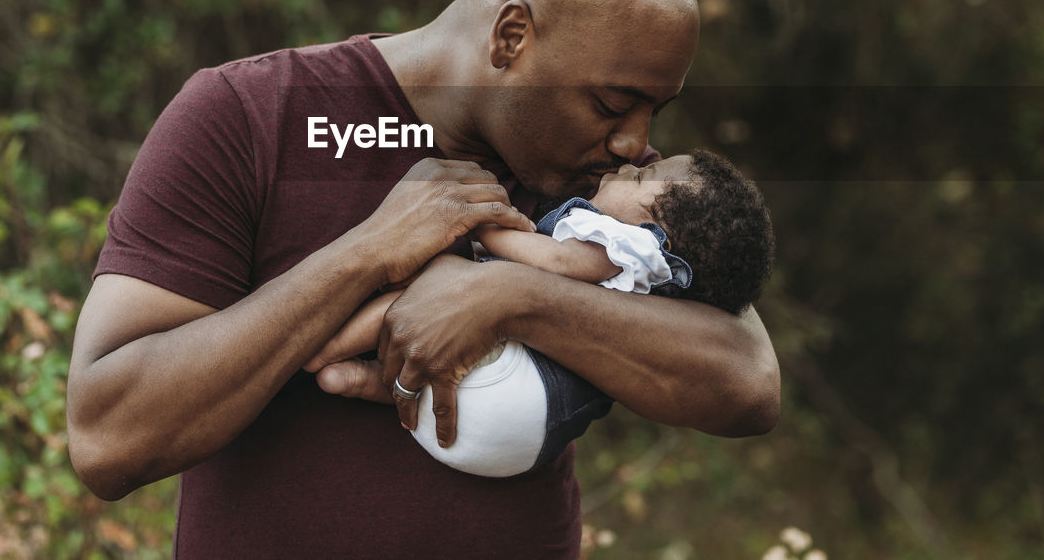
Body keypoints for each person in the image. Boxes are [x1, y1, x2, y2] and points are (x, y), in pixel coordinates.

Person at [65, 0, 780, 558]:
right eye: (611, 102)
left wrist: (508, 300)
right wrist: (366, 255)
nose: (634, 143)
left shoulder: (611, 189)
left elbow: (745, 382)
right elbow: (108, 436)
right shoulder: (251, 117)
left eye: (656, 111)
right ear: (511, 36)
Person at [306, 150, 775, 478]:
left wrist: (483, 224)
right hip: (512, 437)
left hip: (511, 399)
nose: (634, 160)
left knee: (439, 280)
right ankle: (361, 379)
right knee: (441, 311)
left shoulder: (630, 245)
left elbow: (557, 262)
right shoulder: (659, 276)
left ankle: (320, 348)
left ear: (659, 234)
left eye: (638, 179)